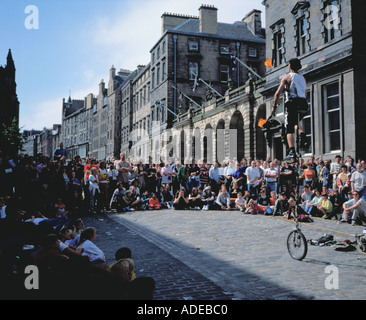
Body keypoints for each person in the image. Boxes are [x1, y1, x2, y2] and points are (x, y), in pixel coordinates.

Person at [271, 58, 309, 163]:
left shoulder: (287, 77)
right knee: (295, 123)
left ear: (290, 67)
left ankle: (291, 151)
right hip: (303, 104)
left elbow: (277, 93)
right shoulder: (302, 78)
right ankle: (302, 134)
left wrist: (274, 107)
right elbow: (305, 93)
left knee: (289, 129)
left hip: (293, 103)